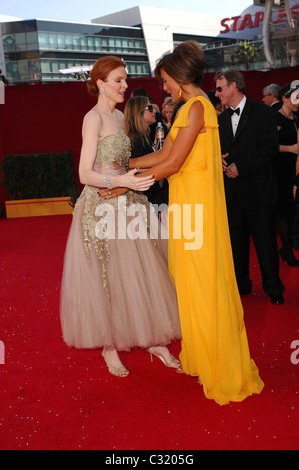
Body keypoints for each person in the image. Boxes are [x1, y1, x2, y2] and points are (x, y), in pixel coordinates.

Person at [103, 41, 264, 405]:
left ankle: (220, 364)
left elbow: (173, 164)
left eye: (165, 81)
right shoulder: (188, 109)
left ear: (177, 75)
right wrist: (125, 166)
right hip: (186, 206)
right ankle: (204, 355)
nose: (164, 88)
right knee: (191, 283)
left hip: (199, 210)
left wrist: (124, 185)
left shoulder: (196, 108)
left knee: (205, 284)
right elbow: (164, 153)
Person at [60, 56, 182, 378]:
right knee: (107, 278)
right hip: (100, 206)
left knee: (144, 273)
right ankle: (109, 347)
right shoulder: (93, 119)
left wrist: (134, 175)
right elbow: (85, 173)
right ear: (100, 83)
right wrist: (121, 181)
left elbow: (123, 161)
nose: (125, 86)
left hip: (128, 203)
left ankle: (155, 340)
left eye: (125, 79)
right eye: (118, 80)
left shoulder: (118, 116)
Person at [215, 70, 284, 305]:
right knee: (236, 244)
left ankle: (273, 288)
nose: (217, 93)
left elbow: (270, 148)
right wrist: (219, 160)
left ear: (234, 86)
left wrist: (241, 167)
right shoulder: (221, 120)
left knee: (265, 243)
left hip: (259, 191)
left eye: (220, 88)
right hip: (232, 193)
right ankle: (241, 286)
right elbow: (219, 150)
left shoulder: (262, 112)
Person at [124, 95, 166, 207]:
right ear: (139, 112)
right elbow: (135, 169)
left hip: (151, 195)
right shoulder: (134, 140)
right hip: (145, 198)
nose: (154, 111)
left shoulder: (144, 137)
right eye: (150, 108)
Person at [275, 83, 299, 266]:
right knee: (283, 212)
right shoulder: (275, 118)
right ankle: (288, 251)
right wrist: (291, 148)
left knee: (290, 211)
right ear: (284, 97)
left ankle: (287, 248)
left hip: (293, 171)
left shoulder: (295, 118)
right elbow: (268, 145)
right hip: (280, 172)